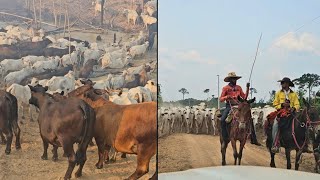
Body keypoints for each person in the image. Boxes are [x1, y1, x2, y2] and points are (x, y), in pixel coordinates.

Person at [271, 77, 312, 153]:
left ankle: (305, 144)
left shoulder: (294, 94)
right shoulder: (278, 93)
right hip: (281, 113)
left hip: (292, 113)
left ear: (288, 84)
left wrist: (293, 108)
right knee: (275, 124)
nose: (283, 84)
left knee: (304, 124)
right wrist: (282, 105)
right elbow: (275, 104)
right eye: (282, 83)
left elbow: (297, 104)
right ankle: (275, 144)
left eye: (284, 83)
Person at [219, 72, 261, 146]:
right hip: (230, 106)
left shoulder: (239, 87)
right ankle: (225, 136)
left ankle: (253, 139)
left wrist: (247, 88)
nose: (234, 80)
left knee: (250, 119)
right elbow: (221, 99)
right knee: (223, 120)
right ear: (230, 79)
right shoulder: (225, 88)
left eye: (235, 78)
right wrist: (227, 97)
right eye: (233, 79)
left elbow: (244, 97)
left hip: (239, 106)